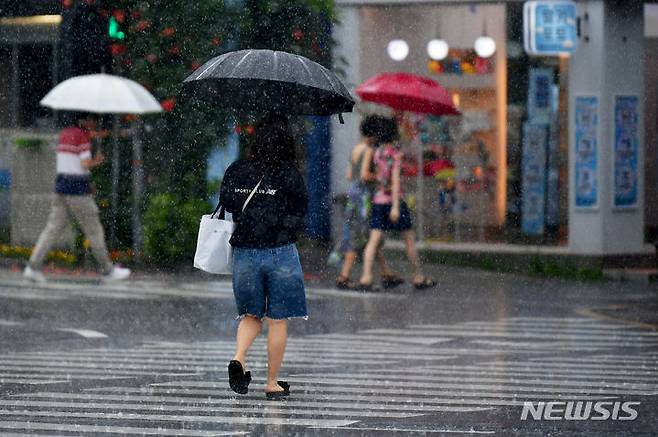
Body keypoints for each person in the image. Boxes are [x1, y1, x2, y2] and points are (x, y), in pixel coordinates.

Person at [219, 114, 308, 400]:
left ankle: (239, 357)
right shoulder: (290, 174)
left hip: (245, 251)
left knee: (251, 315)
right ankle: (272, 383)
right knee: (278, 320)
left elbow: (229, 203)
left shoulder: (237, 170)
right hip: (280, 251)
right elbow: (301, 210)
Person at [23, 113, 130, 283]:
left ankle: (32, 267)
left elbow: (71, 163)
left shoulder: (65, 134)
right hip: (78, 192)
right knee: (94, 230)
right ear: (87, 120)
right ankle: (108, 271)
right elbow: (84, 164)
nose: (95, 125)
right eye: (94, 121)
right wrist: (97, 161)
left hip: (61, 188)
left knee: (52, 229)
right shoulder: (82, 136)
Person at [358, 117, 436, 290]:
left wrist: (380, 182)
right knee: (409, 239)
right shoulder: (396, 155)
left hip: (378, 201)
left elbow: (377, 176)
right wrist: (394, 206)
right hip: (395, 202)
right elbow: (395, 180)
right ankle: (418, 276)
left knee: (373, 241)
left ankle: (366, 277)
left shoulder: (377, 153)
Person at [335, 115, 403, 290]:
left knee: (368, 236)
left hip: (353, 196)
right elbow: (365, 175)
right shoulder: (370, 150)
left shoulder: (356, 148)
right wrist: (380, 178)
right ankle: (344, 276)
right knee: (364, 237)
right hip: (364, 199)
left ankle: (386, 273)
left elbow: (350, 175)